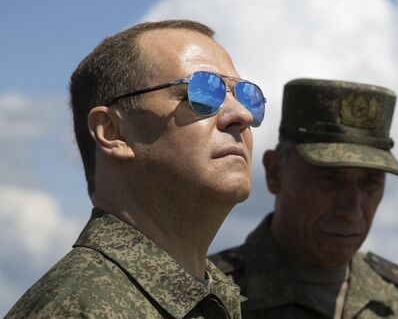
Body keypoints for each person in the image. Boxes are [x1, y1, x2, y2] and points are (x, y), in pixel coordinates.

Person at [6, 20, 267, 319]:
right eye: (203, 93)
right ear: (114, 132)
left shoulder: (214, 298)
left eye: (246, 96)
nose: (242, 115)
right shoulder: (80, 308)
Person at [210, 78, 398, 319]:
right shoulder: (210, 295)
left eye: (371, 182)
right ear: (275, 173)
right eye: (329, 180)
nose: (352, 210)